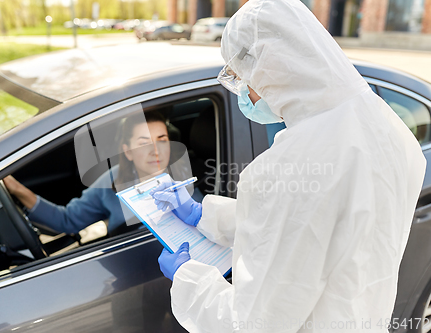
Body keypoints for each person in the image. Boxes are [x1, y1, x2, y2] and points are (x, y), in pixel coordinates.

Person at [150, 0, 427, 332]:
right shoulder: (388, 128)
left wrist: (188, 279)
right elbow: (310, 225)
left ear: (269, 68)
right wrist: (204, 215)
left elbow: (254, 324)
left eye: (241, 80)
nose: (245, 95)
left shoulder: (294, 162)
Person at [4, 111, 184, 237]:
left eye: (162, 140)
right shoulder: (113, 181)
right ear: (127, 152)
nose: (156, 151)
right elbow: (66, 220)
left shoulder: (188, 182)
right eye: (144, 143)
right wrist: (18, 190)